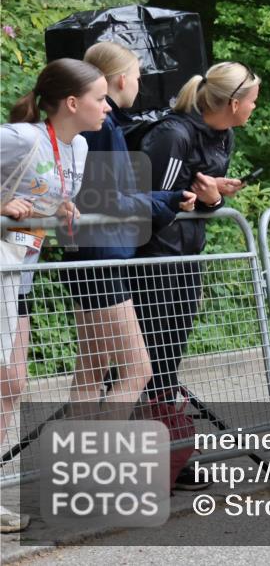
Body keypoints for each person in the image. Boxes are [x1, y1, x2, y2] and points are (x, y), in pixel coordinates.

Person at [132, 62, 258, 490]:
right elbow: (150, 202)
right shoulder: (174, 134)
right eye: (253, 100)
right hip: (153, 262)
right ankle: (147, 462)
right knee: (148, 363)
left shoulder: (225, 135)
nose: (256, 107)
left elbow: (197, 205)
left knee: (168, 361)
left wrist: (212, 199)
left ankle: (170, 457)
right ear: (235, 102)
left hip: (187, 259)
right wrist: (196, 198)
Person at [0, 58, 107, 533]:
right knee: (7, 384)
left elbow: (51, 195)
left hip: (21, 272)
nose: (106, 107)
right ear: (71, 103)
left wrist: (61, 208)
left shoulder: (79, 147)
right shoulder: (23, 137)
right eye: (100, 98)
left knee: (12, 384)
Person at [62, 42, 197, 417]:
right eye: (138, 76)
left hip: (90, 254)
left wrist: (165, 198)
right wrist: (166, 203)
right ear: (122, 78)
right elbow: (109, 199)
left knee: (92, 371)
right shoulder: (103, 126)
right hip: (101, 256)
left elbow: (110, 194)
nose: (139, 84)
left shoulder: (101, 125)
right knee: (136, 369)